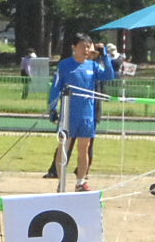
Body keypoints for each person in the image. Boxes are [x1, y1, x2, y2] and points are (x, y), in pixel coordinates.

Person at [48, 34, 115, 192]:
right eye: (82, 46)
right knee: (64, 147)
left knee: (84, 149)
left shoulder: (92, 66)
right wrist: (53, 108)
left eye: (88, 46)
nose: (86, 50)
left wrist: (104, 55)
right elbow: (55, 87)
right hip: (68, 114)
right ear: (74, 47)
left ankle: (80, 181)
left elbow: (109, 75)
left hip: (87, 115)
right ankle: (61, 181)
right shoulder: (64, 65)